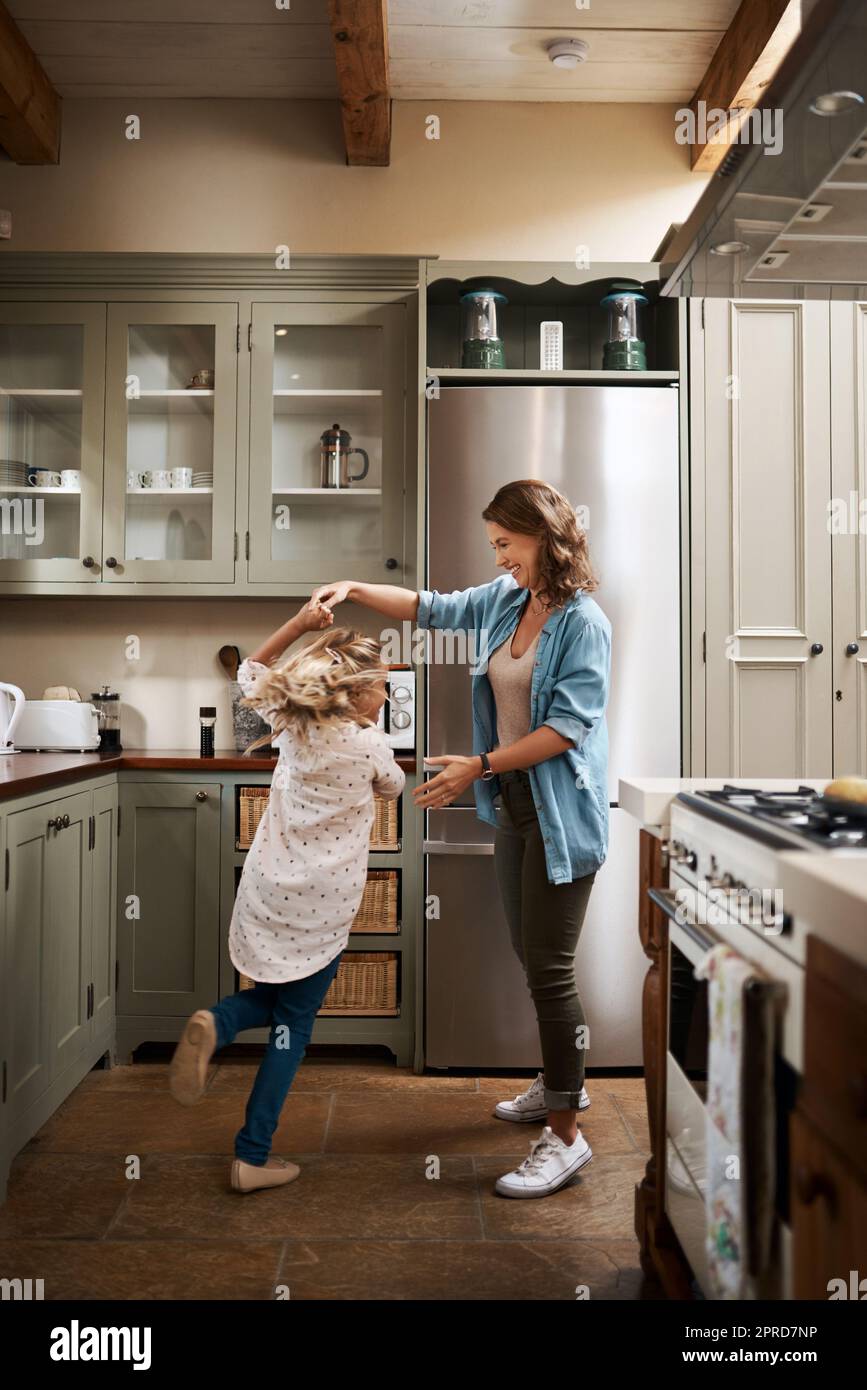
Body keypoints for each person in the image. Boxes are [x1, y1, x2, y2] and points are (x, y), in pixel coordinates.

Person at [314, 478, 610, 1199]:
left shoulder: (583, 623)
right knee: (529, 954)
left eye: (506, 545)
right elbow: (431, 608)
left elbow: (564, 730)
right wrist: (355, 586)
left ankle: (566, 1137)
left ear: (543, 535)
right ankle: (556, 1083)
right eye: (493, 548)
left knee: (550, 969)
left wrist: (475, 765)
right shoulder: (508, 600)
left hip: (559, 814)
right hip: (511, 806)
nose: (499, 558)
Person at [168, 600, 405, 1193]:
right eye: (380, 686)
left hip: (268, 892)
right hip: (323, 910)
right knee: (293, 1025)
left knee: (275, 1006)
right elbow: (396, 786)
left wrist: (301, 624)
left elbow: (252, 666)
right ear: (353, 692)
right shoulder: (371, 746)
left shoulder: (293, 724)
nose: (385, 696)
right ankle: (252, 1154)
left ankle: (219, 1022)